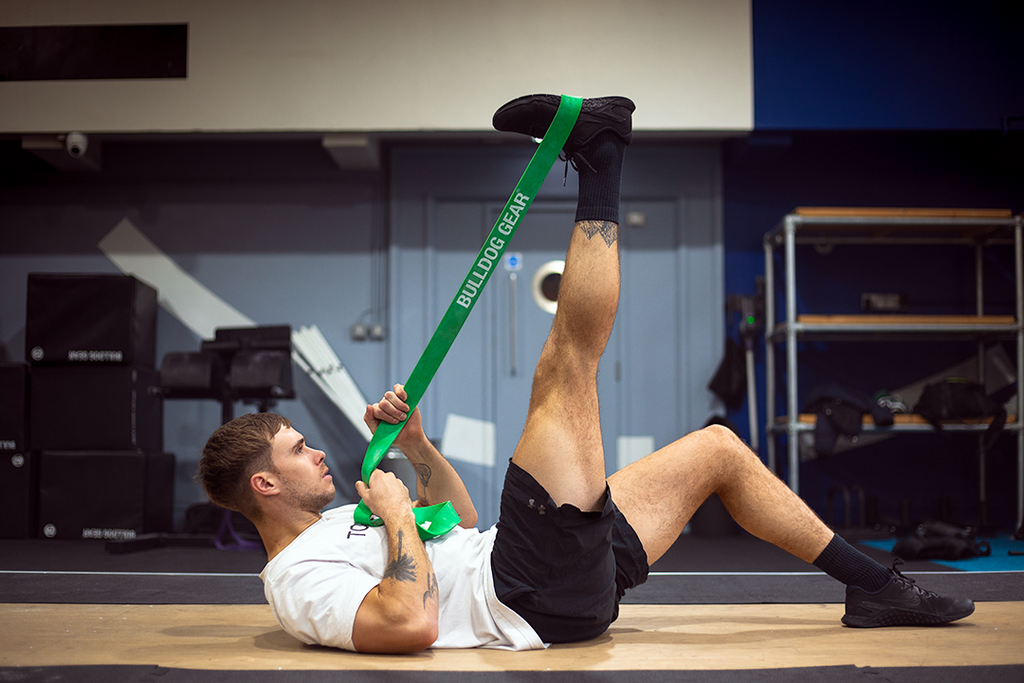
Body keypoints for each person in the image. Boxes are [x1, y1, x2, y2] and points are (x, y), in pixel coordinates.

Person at [197, 94, 975, 654]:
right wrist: (397, 513)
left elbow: (459, 522)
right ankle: (601, 155)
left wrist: (420, 453)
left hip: (537, 569)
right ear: (262, 484)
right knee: (565, 366)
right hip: (527, 594)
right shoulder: (296, 578)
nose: (317, 452)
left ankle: (876, 586)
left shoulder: (334, 524)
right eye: (298, 449)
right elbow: (410, 625)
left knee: (717, 450)